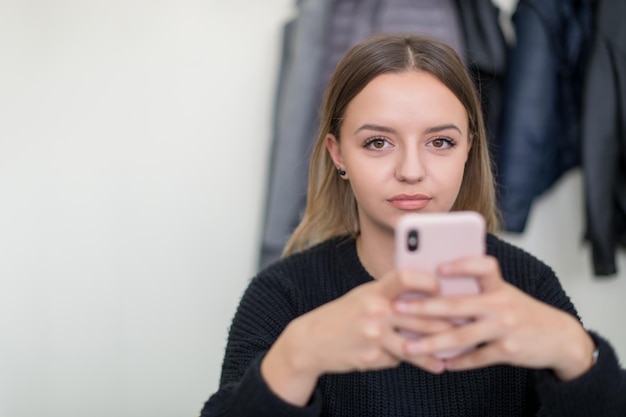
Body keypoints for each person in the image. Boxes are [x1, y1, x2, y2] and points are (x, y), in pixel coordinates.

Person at [201, 33, 626, 416]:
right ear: (338, 154)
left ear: (467, 150)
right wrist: (297, 356)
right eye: (378, 142)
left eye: (440, 142)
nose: (410, 170)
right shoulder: (281, 295)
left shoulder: (529, 284)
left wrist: (576, 353)